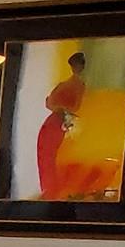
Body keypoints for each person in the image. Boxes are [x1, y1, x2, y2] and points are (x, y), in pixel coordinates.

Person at [36, 51, 87, 200]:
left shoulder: (79, 85)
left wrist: (60, 108)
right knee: (46, 156)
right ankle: (49, 191)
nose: (76, 68)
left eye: (78, 65)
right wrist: (59, 107)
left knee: (55, 157)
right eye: (74, 65)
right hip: (54, 123)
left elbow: (74, 106)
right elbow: (49, 103)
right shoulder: (65, 84)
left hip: (64, 123)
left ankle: (54, 191)